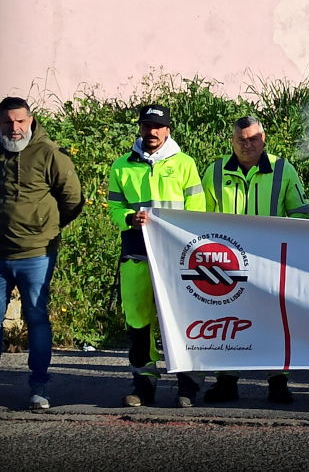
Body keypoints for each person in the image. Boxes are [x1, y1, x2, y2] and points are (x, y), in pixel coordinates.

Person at [0, 97, 83, 411]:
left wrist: (42, 228)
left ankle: (38, 388)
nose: (14, 128)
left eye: (20, 121)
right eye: (7, 122)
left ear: (31, 120)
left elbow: (72, 200)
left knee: (37, 318)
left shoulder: (50, 154)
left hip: (37, 255)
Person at [200, 115, 309, 405]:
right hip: (227, 263)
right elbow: (199, 217)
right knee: (226, 321)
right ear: (232, 142)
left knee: (276, 321)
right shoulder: (214, 171)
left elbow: (300, 213)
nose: (247, 144)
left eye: (253, 139)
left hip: (271, 261)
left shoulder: (283, 169)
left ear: (264, 139)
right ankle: (226, 380)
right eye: (241, 140)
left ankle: (278, 381)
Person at [108, 103, 206, 408]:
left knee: (183, 322)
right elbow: (114, 209)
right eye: (146, 126)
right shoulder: (121, 166)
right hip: (136, 254)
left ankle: (187, 387)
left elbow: (198, 209)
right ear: (139, 128)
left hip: (177, 258)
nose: (151, 132)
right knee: (138, 322)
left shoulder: (185, 164)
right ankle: (143, 385)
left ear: (167, 130)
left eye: (157, 127)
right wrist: (128, 218)